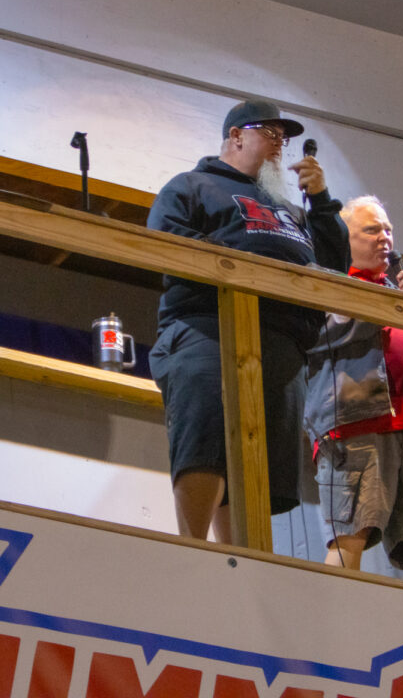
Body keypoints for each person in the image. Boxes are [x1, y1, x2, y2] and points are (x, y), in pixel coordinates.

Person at [147, 99, 349, 542]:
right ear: (236, 135)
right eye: (272, 134)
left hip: (282, 346)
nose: (281, 146)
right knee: (206, 443)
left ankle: (241, 567)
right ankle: (193, 550)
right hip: (208, 328)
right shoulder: (192, 186)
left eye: (286, 138)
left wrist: (320, 201)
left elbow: (337, 269)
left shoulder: (293, 212)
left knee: (257, 462)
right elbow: (167, 243)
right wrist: (251, 267)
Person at [303, 195, 403, 587]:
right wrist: (385, 304)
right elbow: (319, 341)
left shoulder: (401, 292)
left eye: (388, 229)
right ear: (344, 240)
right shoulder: (330, 285)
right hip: (358, 425)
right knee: (350, 533)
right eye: (371, 230)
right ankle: (334, 623)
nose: (384, 238)